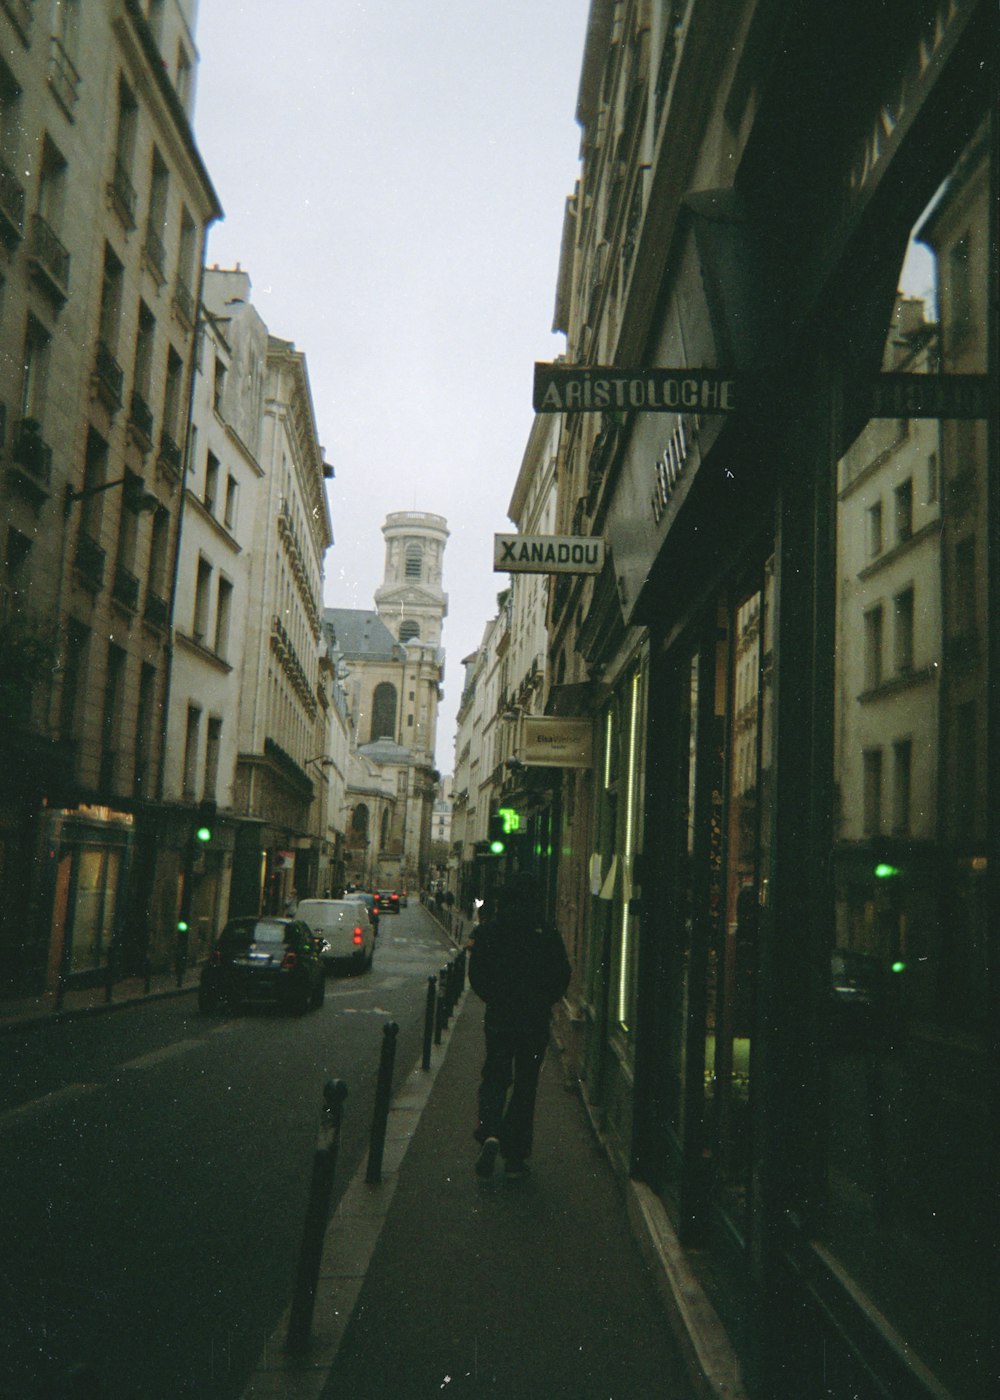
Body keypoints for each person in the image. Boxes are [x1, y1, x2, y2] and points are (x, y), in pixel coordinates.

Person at [468, 872, 570, 1180]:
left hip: (500, 1016)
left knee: (495, 1076)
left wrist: (494, 998)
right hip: (533, 1019)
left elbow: (477, 974)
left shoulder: (490, 931)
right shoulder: (544, 931)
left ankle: (489, 1132)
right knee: (526, 1085)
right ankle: (515, 1157)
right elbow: (562, 972)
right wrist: (545, 1000)